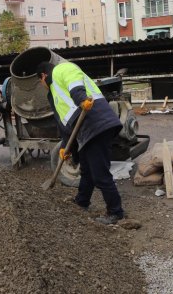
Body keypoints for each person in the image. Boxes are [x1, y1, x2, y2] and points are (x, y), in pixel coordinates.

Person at [36, 61, 125, 225]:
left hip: (96, 122)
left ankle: (115, 212)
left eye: (41, 82)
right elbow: (66, 123)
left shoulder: (60, 69)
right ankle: (82, 201)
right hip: (86, 130)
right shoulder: (55, 93)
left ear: (43, 76)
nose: (43, 85)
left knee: (100, 174)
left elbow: (74, 80)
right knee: (87, 171)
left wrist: (80, 97)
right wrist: (65, 147)